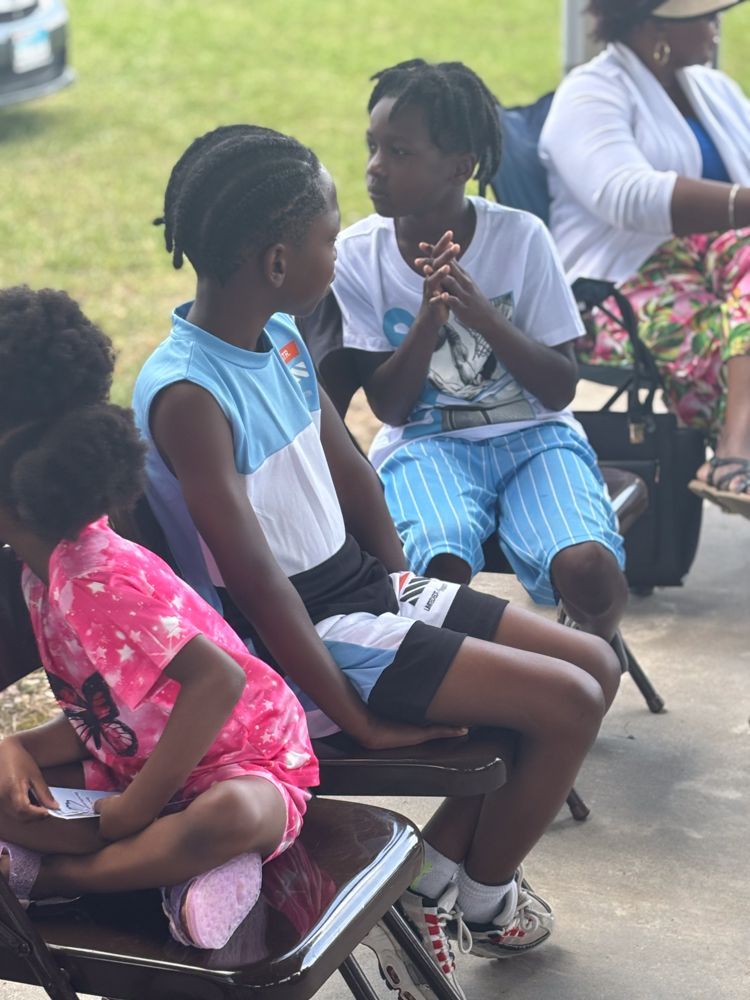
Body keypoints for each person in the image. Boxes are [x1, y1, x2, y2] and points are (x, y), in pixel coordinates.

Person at [133, 124, 621, 997]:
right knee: (565, 701)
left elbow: (352, 472)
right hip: (302, 639)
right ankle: (478, 896)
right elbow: (259, 586)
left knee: (595, 664)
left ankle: (435, 886)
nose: (340, 249)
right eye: (329, 237)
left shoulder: (279, 334)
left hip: (362, 591)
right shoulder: (188, 394)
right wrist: (352, 720)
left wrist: (405, 585)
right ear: (277, 260)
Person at [0, 287, 318, 950]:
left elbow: (220, 680)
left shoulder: (95, 576)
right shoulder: (40, 574)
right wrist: (14, 748)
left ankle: (56, 876)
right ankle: (178, 869)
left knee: (230, 815)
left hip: (245, 764)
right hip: (137, 769)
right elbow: (100, 717)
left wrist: (135, 808)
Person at [323, 59, 628, 642]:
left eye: (399, 152)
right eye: (373, 146)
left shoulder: (521, 238)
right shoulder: (358, 254)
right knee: (438, 572)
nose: (375, 167)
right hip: (427, 443)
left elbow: (560, 388)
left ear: (460, 166)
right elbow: (390, 407)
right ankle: (468, 680)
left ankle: (594, 654)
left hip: (536, 439)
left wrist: (483, 316)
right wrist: (428, 319)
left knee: (588, 567)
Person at [539, 0, 750, 518]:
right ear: (654, 25)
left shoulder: (716, 90)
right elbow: (626, 194)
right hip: (621, 289)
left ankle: (734, 453)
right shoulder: (590, 94)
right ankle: (735, 449)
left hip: (726, 276)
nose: (716, 24)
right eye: (702, 14)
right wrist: (741, 204)